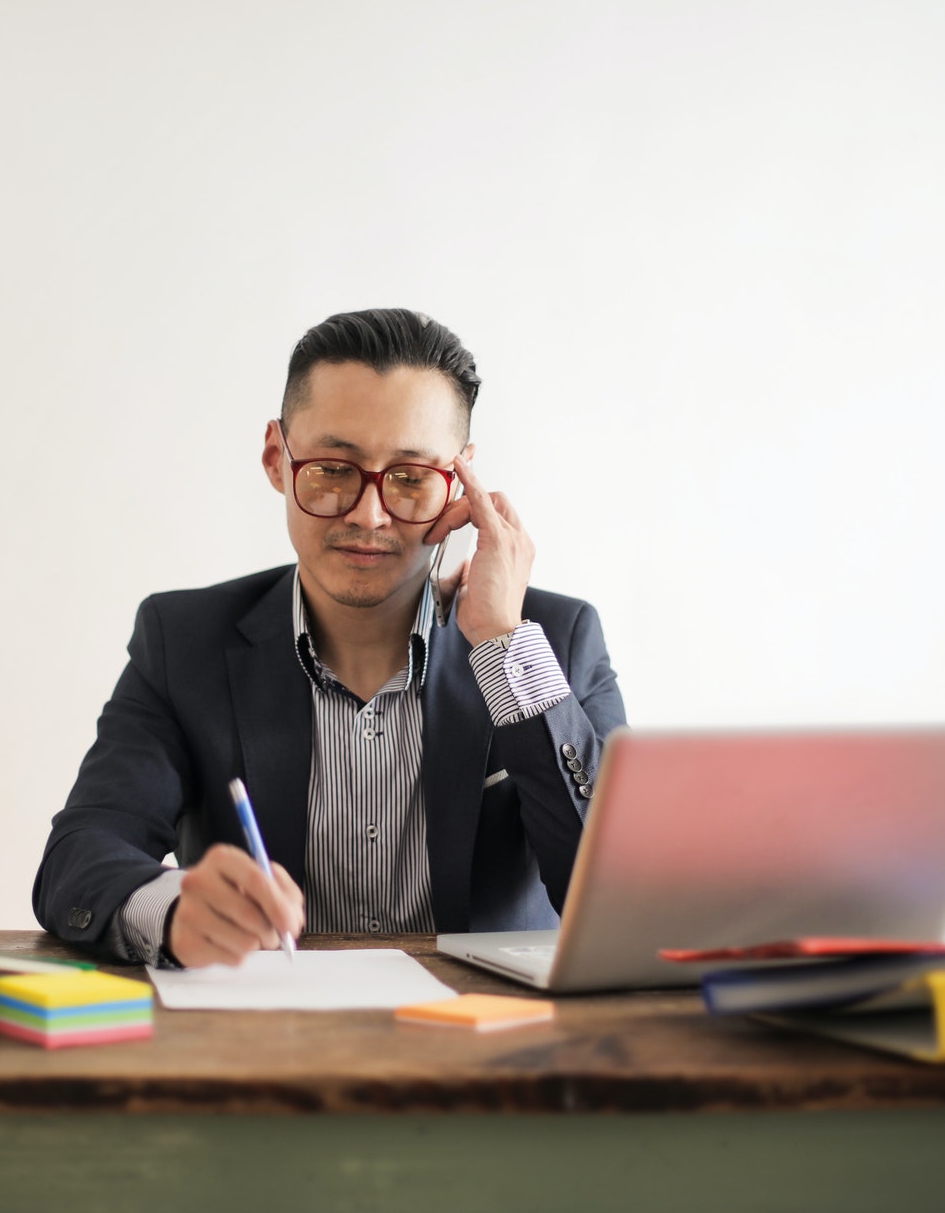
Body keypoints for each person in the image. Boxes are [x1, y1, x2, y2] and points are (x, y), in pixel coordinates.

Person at [32, 309, 625, 966]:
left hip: (486, 1049)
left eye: (409, 478)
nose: (369, 515)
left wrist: (504, 645)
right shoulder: (184, 642)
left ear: (460, 482)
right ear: (275, 459)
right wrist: (170, 907)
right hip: (270, 1045)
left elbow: (621, 898)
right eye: (333, 469)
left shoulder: (556, 641)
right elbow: (80, 855)